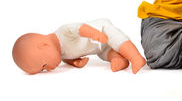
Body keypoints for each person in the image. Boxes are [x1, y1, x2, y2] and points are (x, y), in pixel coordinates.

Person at [12, 18, 146, 74]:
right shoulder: (61, 54)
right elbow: (68, 57)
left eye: (43, 66)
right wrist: (75, 62)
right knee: (107, 53)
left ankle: (136, 57)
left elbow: (79, 28)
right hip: (98, 48)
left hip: (101, 31)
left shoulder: (62, 32)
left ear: (43, 45)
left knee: (117, 40)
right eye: (43, 70)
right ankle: (120, 60)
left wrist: (95, 34)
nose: (48, 69)